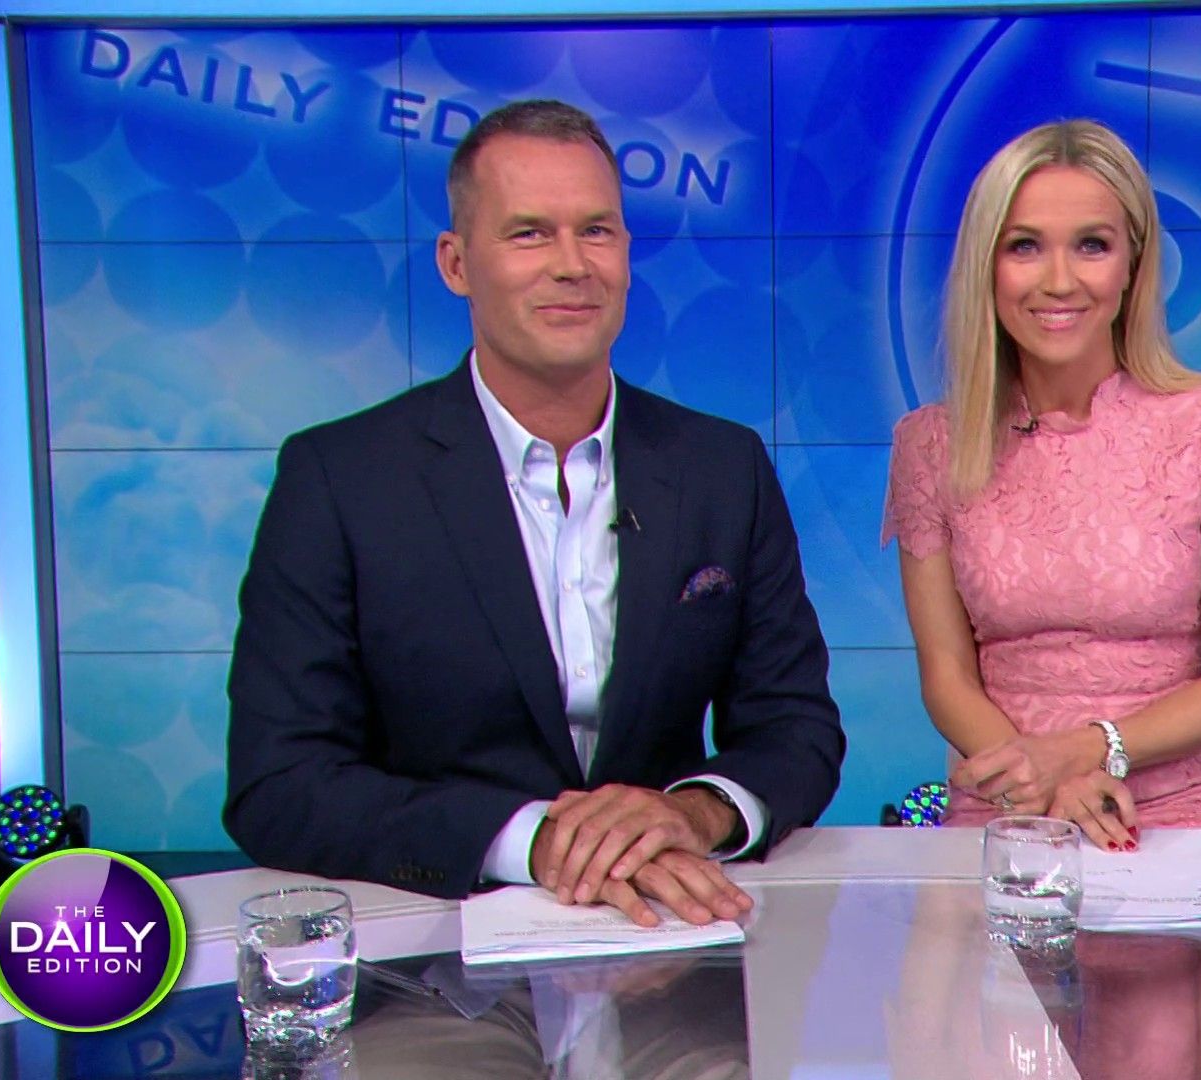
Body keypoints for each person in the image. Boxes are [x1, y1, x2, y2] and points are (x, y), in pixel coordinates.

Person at [225, 99, 845, 926]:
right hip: (434, 943)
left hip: (670, 929)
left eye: (597, 231)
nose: (572, 265)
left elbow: (796, 728)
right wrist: (533, 840)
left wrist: (695, 814)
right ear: (456, 263)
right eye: (529, 234)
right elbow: (279, 783)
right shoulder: (339, 478)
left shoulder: (722, 467)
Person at [882, 119, 1201, 848]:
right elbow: (947, 678)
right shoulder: (931, 445)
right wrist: (1042, 782)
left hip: (1184, 815)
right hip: (1009, 810)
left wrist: (1085, 752)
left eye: (1092, 246)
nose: (1059, 280)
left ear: (1133, 262)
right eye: (1024, 246)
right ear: (986, 265)